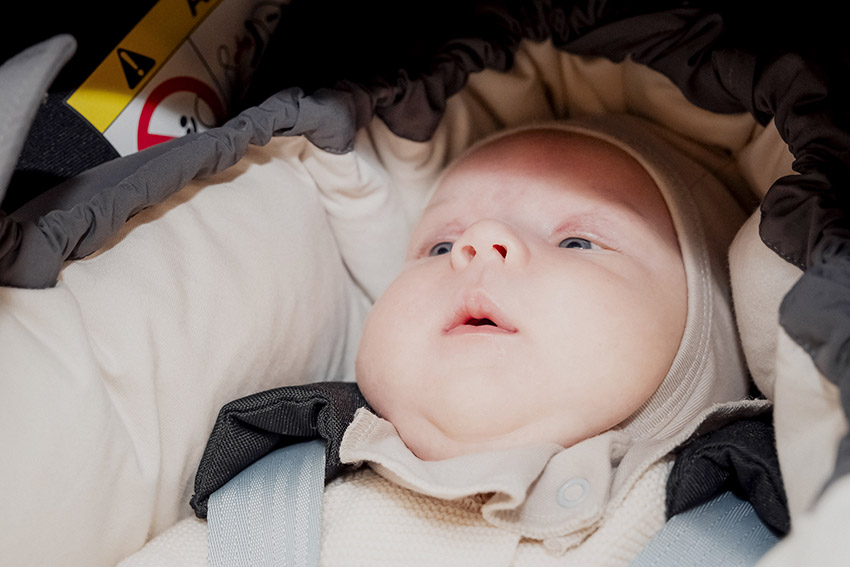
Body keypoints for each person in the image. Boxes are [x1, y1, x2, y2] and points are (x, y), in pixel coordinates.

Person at [127, 115, 774, 566]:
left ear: (709, 338)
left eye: (577, 240)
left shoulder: (757, 529)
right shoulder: (262, 513)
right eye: (440, 245)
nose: (481, 242)